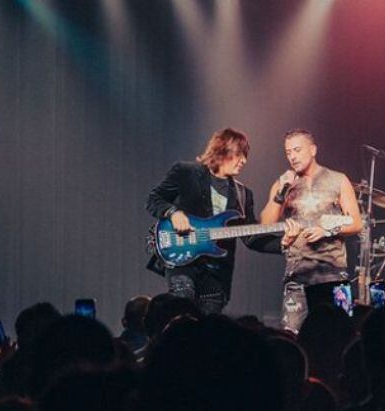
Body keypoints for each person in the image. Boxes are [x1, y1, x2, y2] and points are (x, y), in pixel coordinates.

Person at [146, 128, 283, 314]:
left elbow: (251, 238)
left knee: (210, 326)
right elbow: (154, 199)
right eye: (239, 154)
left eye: (246, 156)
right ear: (222, 150)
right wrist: (173, 213)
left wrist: (285, 243)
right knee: (183, 307)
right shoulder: (186, 172)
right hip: (182, 262)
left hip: (217, 274)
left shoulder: (243, 195)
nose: (244, 161)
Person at [260, 129, 363, 332]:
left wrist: (327, 231)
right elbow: (265, 224)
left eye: (297, 150)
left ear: (313, 150)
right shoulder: (283, 184)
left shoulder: (338, 180)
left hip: (333, 273)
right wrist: (281, 191)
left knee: (339, 335)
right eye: (288, 152)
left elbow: (356, 223)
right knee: (292, 335)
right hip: (297, 275)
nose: (292, 156)